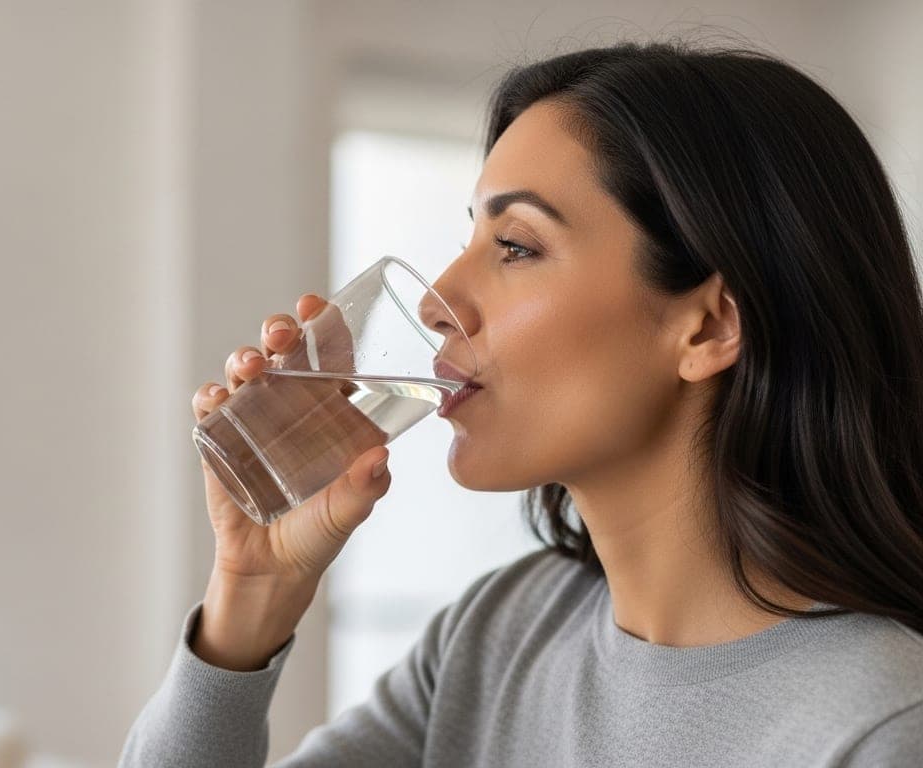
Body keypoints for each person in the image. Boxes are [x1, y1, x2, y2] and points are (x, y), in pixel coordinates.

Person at [119, 40, 923, 767]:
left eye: (516, 246)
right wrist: (251, 598)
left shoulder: (878, 725)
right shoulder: (503, 633)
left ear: (707, 326)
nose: (437, 299)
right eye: (472, 235)